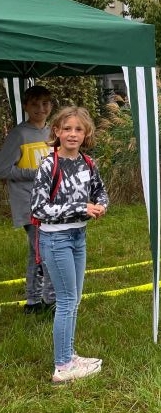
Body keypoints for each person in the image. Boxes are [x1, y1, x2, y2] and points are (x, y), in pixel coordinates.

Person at [30, 106, 109, 384]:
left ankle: (69, 354)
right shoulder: (47, 165)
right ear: (56, 132)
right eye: (67, 129)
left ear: (86, 133)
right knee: (65, 302)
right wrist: (80, 207)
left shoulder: (88, 163)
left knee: (73, 300)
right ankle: (63, 366)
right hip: (56, 239)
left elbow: (100, 192)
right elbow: (39, 208)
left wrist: (100, 206)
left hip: (79, 238)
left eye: (78, 129)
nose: (72, 134)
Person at [0, 85, 56, 314]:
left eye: (45, 104)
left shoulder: (53, 133)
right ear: (26, 106)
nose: (40, 109)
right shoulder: (19, 134)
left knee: (47, 250)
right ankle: (35, 301)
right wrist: (35, 173)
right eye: (34, 104)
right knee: (40, 252)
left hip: (51, 204)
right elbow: (3, 169)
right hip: (28, 204)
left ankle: (43, 299)